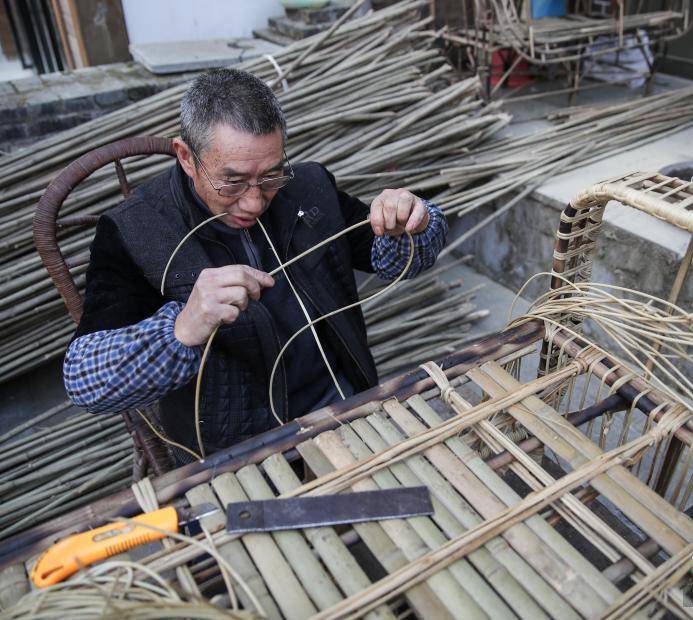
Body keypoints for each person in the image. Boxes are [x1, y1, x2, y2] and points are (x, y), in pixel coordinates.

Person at [63, 68, 448, 463]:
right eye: (231, 182)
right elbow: (84, 382)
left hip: (348, 414)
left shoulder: (308, 188)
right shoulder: (138, 230)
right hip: (239, 460)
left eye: (269, 176)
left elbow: (398, 260)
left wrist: (412, 224)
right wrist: (182, 328)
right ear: (186, 157)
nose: (253, 202)